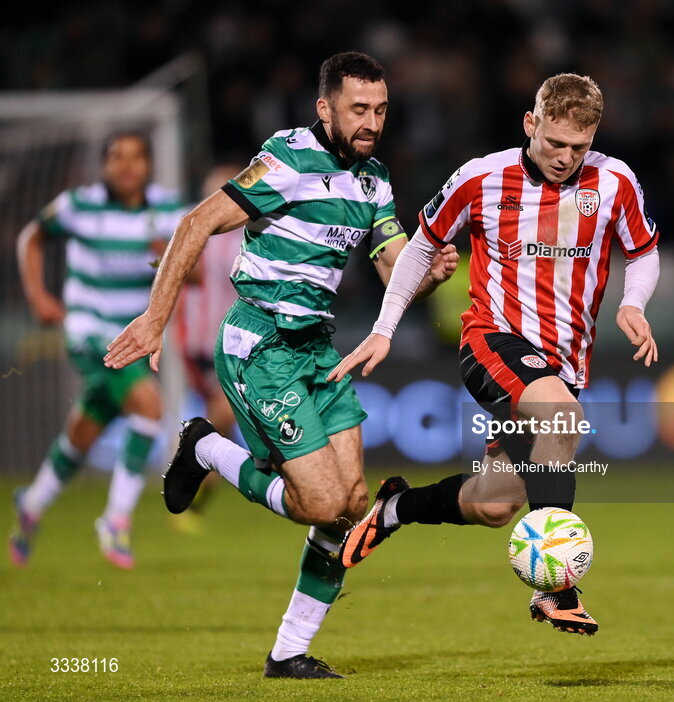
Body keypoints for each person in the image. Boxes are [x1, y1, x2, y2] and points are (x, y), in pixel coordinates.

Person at [103, 51, 458, 678]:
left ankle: (288, 653)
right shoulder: (289, 158)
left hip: (320, 349)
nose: (371, 120)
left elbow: (393, 271)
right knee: (320, 504)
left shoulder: (373, 181)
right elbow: (197, 223)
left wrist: (429, 272)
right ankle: (206, 449)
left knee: (350, 504)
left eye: (379, 109)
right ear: (325, 108)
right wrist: (156, 317)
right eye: (358, 109)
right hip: (262, 344)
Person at [334, 73, 661, 636]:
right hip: (493, 340)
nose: (565, 158)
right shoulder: (481, 178)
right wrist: (385, 327)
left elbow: (645, 251)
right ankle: (557, 591)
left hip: (565, 363)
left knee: (493, 504)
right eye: (555, 143)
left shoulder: (614, 181)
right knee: (562, 417)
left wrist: (633, 302)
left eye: (578, 148)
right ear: (530, 124)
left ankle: (395, 508)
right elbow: (419, 250)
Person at [10, 132, 183, 570]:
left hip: (133, 338)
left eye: (135, 157)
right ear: (104, 165)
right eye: (116, 157)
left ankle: (31, 505)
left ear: (148, 164)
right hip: (87, 331)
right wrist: (37, 295)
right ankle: (116, 518)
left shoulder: (169, 211)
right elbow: (30, 236)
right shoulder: (78, 205)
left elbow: (191, 277)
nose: (126, 166)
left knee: (85, 430)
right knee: (148, 407)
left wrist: (165, 260)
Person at [170, 165, 245, 531]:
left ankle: (195, 495)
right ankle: (193, 461)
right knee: (225, 413)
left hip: (232, 342)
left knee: (224, 426)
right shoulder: (193, 231)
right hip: (201, 342)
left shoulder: (250, 235)